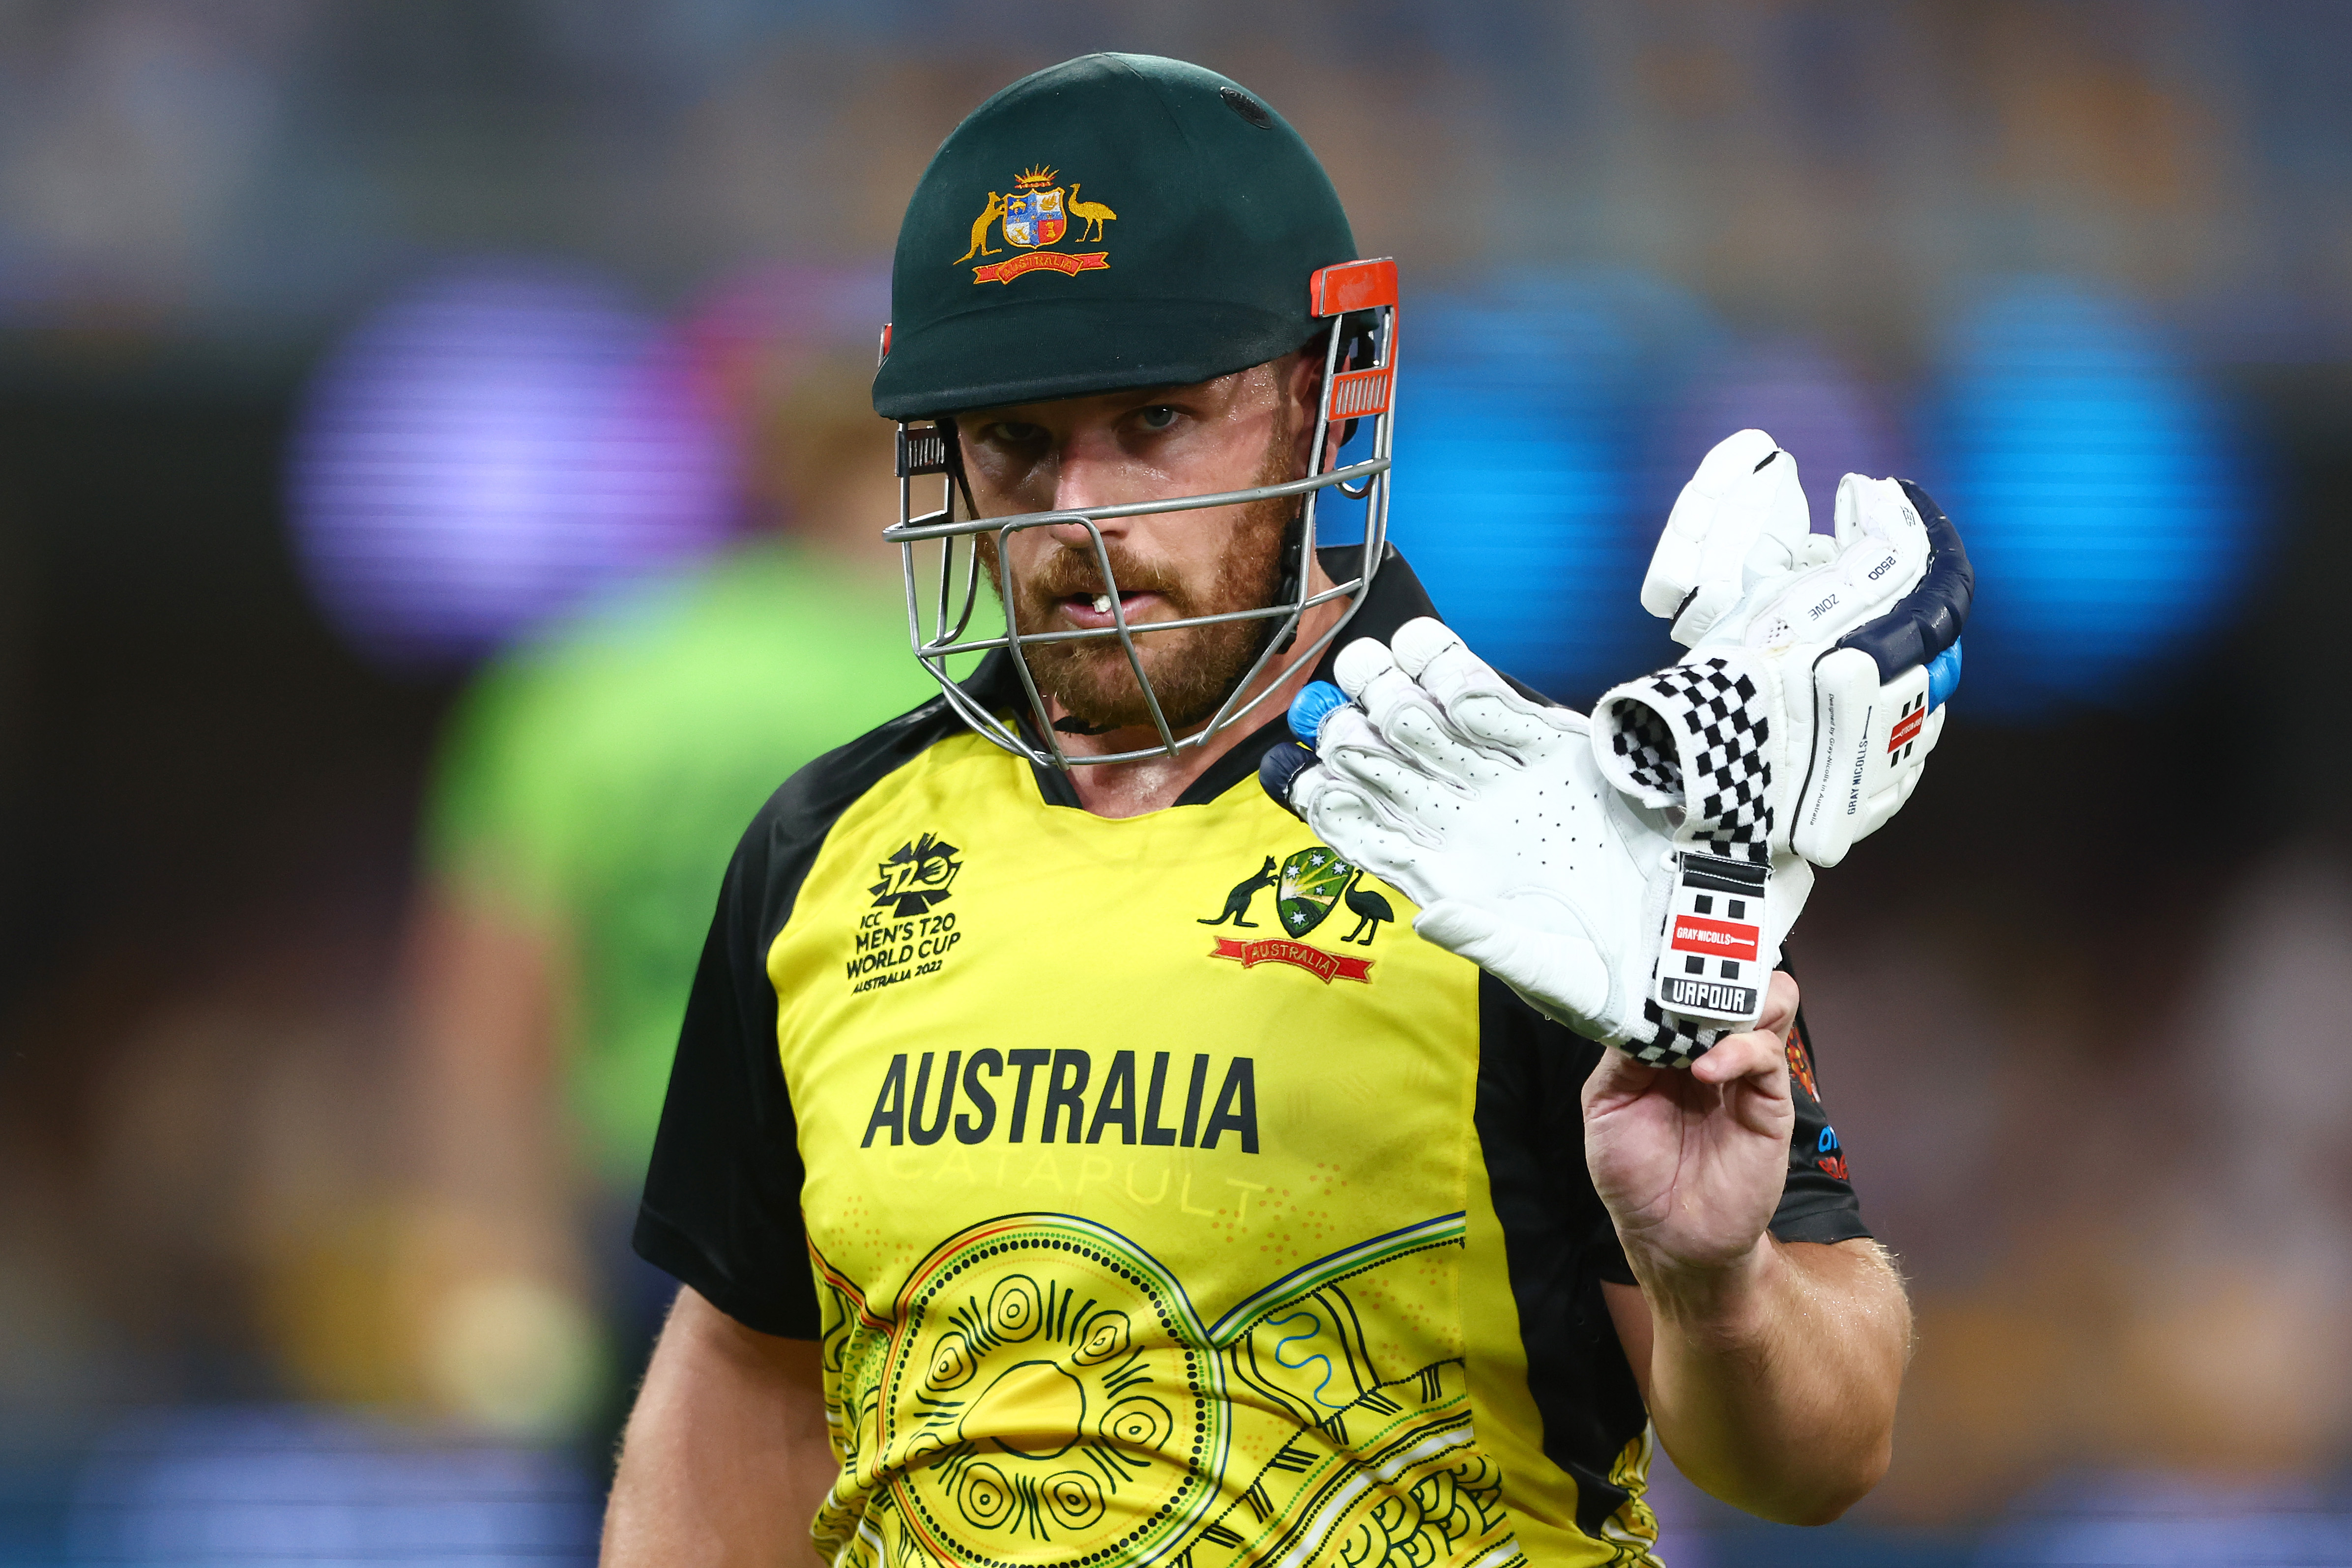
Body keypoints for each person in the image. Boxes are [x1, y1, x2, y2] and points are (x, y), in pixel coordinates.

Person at [604, 54, 1910, 1568]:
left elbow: (1827, 1449)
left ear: (1316, 398)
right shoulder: (825, 845)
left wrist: (1714, 1278)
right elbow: (746, 1367)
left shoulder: (1565, 841)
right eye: (1014, 439)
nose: (1076, 509)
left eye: (1157, 417)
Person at [396, 309, 936, 1441]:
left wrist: (494, 1238)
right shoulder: (959, 674)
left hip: (636, 1224)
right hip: (894, 1200)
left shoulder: (577, 680)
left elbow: (488, 1012)